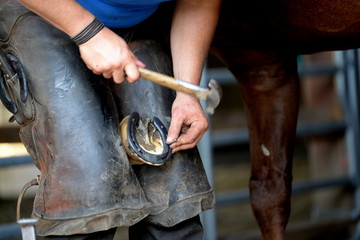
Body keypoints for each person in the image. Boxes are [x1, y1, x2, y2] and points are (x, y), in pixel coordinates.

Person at [0, 0, 221, 239]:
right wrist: (88, 32)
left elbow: (199, 3)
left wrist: (186, 93)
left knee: (173, 196)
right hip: (43, 11)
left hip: (135, 19)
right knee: (89, 198)